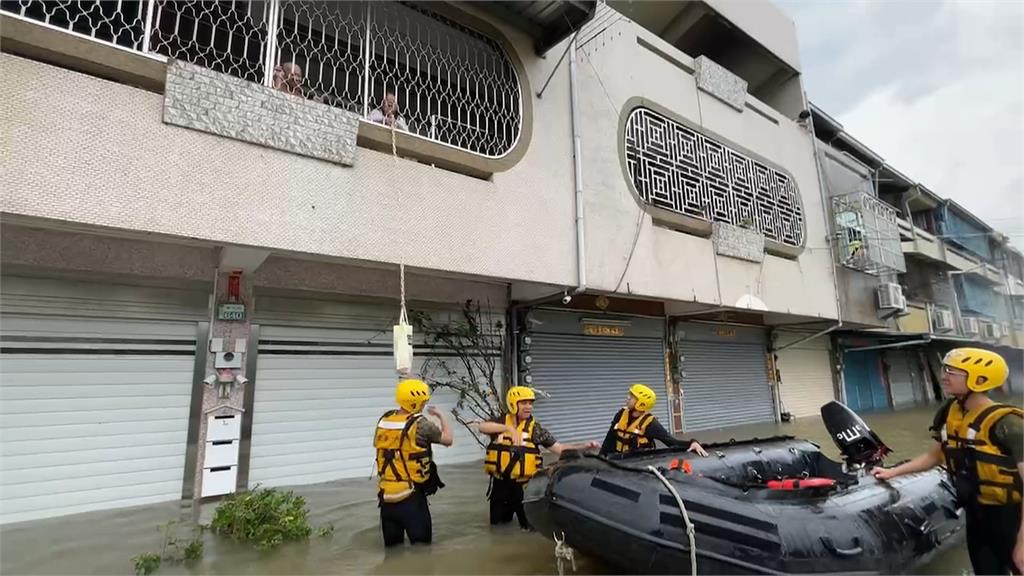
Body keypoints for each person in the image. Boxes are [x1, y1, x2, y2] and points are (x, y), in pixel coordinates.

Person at [871, 348, 1023, 575]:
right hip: (976, 514)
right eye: (945, 369)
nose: (944, 376)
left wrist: (1022, 542)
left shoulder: (1008, 424)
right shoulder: (950, 413)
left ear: (980, 379)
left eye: (953, 371)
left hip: (1012, 516)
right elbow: (933, 457)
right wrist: (891, 473)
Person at [478, 386, 599, 530]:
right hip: (500, 486)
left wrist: (583, 446)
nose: (528, 407)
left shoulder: (535, 429)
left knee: (530, 529)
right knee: (497, 528)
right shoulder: (500, 422)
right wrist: (508, 429)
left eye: (530, 403)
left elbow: (559, 449)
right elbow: (482, 427)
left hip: (523, 488)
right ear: (513, 403)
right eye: (524, 403)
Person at [373, 378, 453, 547]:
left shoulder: (384, 421)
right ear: (416, 402)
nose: (424, 405)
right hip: (411, 499)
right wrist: (442, 416)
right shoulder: (421, 424)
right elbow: (448, 440)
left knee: (393, 554)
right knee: (423, 554)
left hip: (386, 499)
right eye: (423, 402)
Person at [598, 383, 708, 457]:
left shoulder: (650, 424)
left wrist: (692, 443)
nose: (627, 398)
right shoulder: (621, 414)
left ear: (641, 403)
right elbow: (609, 439)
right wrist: (601, 457)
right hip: (618, 460)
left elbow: (671, 442)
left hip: (637, 463)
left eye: (631, 397)